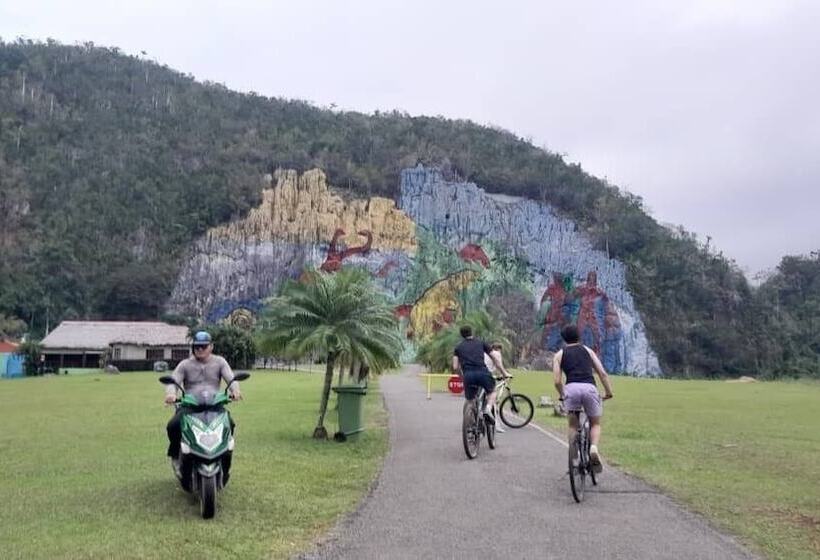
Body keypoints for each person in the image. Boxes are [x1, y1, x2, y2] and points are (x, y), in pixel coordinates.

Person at [164, 331, 242, 474]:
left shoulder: (220, 362)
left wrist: (235, 390)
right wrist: (171, 394)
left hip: (215, 406)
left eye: (203, 346)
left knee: (230, 424)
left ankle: (225, 454)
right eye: (197, 346)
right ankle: (175, 454)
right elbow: (173, 381)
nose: (200, 349)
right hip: (190, 406)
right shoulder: (185, 364)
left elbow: (231, 379)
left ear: (211, 346)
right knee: (173, 426)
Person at [553, 324, 613, 472]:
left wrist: (562, 395)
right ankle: (593, 448)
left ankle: (574, 456)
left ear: (564, 339)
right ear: (579, 336)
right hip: (589, 388)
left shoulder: (559, 355)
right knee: (595, 423)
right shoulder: (588, 351)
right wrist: (608, 392)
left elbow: (557, 380)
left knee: (573, 425)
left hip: (571, 389)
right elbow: (602, 373)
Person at [453, 325, 504, 424]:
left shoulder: (458, 347)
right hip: (482, 372)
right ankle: (488, 409)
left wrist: (462, 376)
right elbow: (495, 358)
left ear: (461, 335)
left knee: (470, 400)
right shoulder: (481, 343)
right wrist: (504, 372)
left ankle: (471, 423)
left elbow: (455, 367)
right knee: (492, 391)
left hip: (468, 375)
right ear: (472, 332)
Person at [484, 342, 512, 432]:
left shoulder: (485, 353)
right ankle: (496, 425)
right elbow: (499, 365)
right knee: (493, 399)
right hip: (488, 377)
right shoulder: (497, 354)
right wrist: (505, 374)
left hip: (481, 373)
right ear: (500, 349)